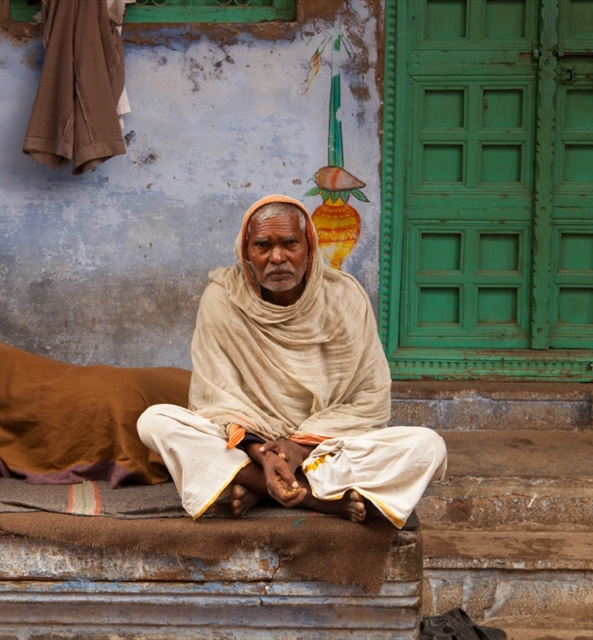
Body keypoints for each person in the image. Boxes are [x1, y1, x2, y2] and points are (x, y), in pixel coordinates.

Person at [137, 194, 447, 527]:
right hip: (248, 443)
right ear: (246, 252)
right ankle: (312, 496)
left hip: (325, 446)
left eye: (290, 243)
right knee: (155, 422)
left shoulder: (344, 296)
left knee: (429, 447)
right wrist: (263, 452)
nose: (277, 257)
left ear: (309, 247)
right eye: (262, 245)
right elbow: (216, 398)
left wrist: (297, 449)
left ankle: (258, 485)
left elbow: (370, 399)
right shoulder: (223, 297)